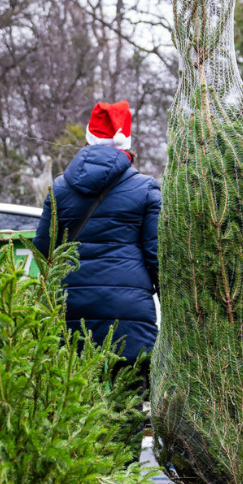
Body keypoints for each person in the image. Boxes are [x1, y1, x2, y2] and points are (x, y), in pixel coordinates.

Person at [34, 100, 161, 392]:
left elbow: (43, 251)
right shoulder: (146, 188)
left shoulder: (60, 187)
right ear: (125, 143)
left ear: (90, 138)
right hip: (128, 314)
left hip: (70, 312)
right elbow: (157, 257)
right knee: (126, 406)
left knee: (78, 406)